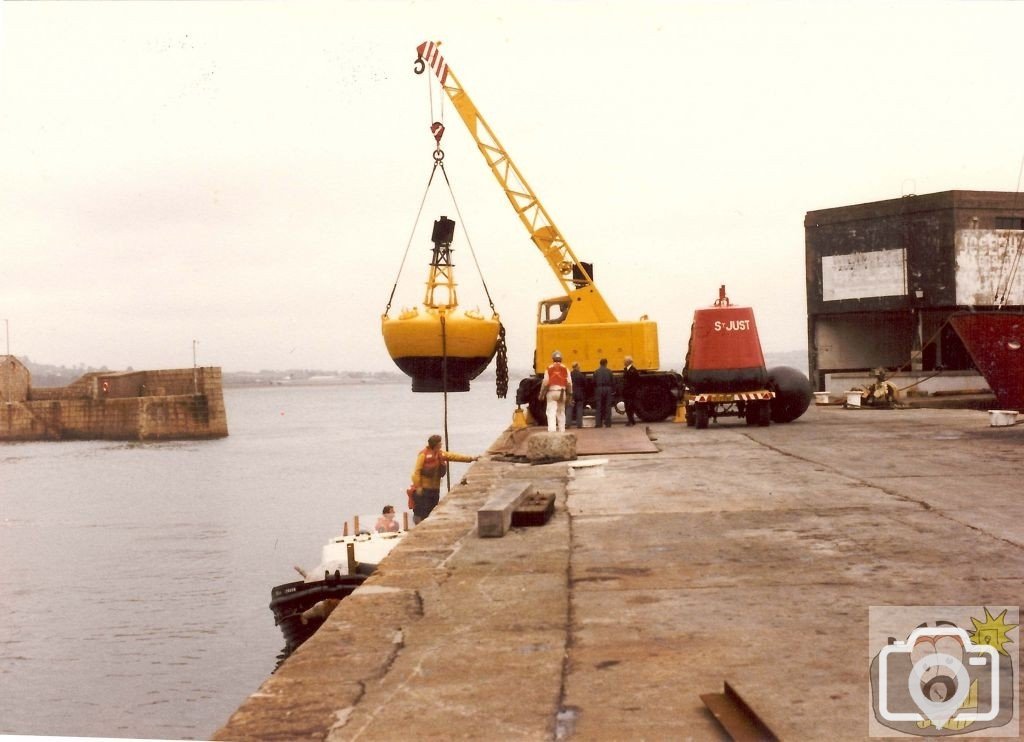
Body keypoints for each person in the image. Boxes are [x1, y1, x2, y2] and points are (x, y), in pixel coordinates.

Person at [410, 434, 478, 524]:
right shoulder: (423, 455)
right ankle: (419, 525)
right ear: (436, 444)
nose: (441, 444)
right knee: (423, 510)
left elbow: (454, 456)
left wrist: (471, 458)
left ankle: (430, 524)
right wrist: (418, 486)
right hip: (424, 489)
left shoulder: (440, 454)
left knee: (433, 508)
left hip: (435, 488)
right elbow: (417, 471)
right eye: (440, 443)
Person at [538, 350, 572, 432]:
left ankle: (552, 431)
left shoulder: (549, 368)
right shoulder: (565, 369)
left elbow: (545, 382)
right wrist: (570, 394)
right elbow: (569, 383)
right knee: (561, 412)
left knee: (551, 412)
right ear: (561, 359)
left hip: (551, 392)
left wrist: (541, 394)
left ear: (553, 359)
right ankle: (562, 430)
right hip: (562, 392)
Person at [593, 357, 614, 427]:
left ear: (600, 363)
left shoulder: (596, 371)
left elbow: (593, 382)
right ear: (606, 363)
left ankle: (598, 423)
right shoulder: (609, 371)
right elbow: (613, 381)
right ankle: (608, 423)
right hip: (608, 388)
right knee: (608, 406)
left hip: (599, 389)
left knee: (599, 406)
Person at [623, 355, 640, 426]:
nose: (624, 362)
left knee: (630, 406)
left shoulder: (633, 370)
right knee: (628, 406)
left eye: (625, 361)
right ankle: (631, 420)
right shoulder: (627, 369)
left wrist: (632, 390)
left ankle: (631, 420)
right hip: (628, 391)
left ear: (628, 362)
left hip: (630, 392)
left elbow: (634, 382)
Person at [569, 362, 586, 429]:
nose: (579, 367)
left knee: (569, 408)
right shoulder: (581, 375)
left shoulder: (570, 375)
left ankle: (567, 424)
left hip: (571, 392)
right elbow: (585, 383)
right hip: (579, 393)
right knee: (579, 408)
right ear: (576, 367)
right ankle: (579, 424)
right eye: (579, 366)